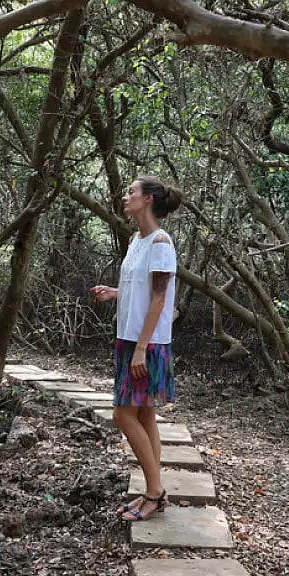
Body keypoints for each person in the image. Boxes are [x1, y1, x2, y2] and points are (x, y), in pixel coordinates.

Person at [90, 175, 183, 522]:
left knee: (123, 414)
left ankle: (154, 494)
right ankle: (153, 489)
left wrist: (142, 348)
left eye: (132, 192)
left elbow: (160, 299)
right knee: (143, 415)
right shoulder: (136, 240)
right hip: (128, 337)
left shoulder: (161, 242)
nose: (126, 196)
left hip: (146, 343)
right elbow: (141, 286)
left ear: (147, 200)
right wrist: (116, 292)